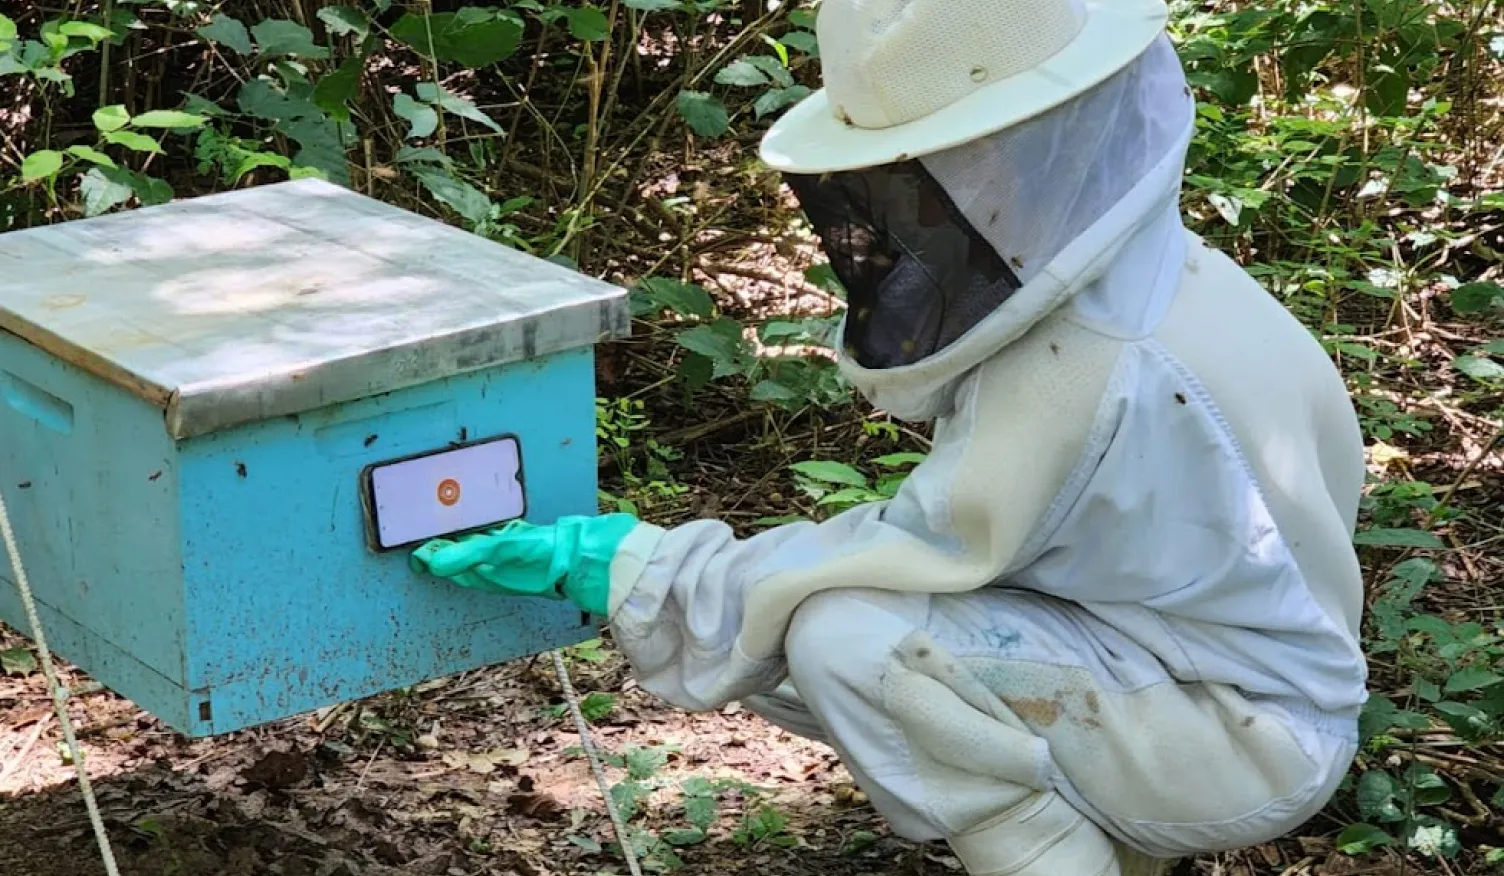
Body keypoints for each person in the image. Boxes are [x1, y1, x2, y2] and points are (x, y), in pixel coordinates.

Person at [410, 0, 1371, 873]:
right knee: (813, 637)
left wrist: (635, 565)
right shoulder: (1188, 282)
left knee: (854, 641)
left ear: (1040, 141)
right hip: (1214, 679)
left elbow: (911, 558)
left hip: (1237, 735)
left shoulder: (1092, 364)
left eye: (946, 165)